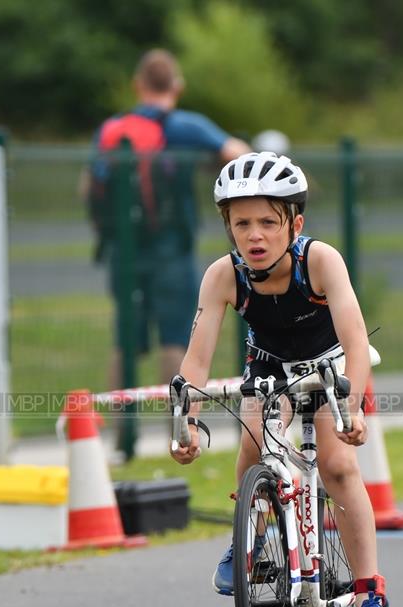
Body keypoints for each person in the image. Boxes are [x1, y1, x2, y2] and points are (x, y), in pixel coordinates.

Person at [170, 151, 403, 607]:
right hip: (269, 366)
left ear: (294, 223)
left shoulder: (319, 261)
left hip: (329, 365)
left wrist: (354, 406)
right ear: (228, 228)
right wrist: (186, 421)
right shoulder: (222, 275)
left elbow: (356, 338)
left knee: (339, 467)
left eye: (268, 223)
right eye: (242, 223)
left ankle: (369, 598)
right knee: (254, 447)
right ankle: (248, 544)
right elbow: (198, 357)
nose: (255, 235)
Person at [86, 48, 250, 390]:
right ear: (177, 86)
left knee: (125, 342)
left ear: (137, 85)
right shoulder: (184, 126)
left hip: (123, 250)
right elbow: (239, 155)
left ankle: (121, 435)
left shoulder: (111, 129)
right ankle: (176, 432)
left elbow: (90, 185)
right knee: (175, 339)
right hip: (172, 248)